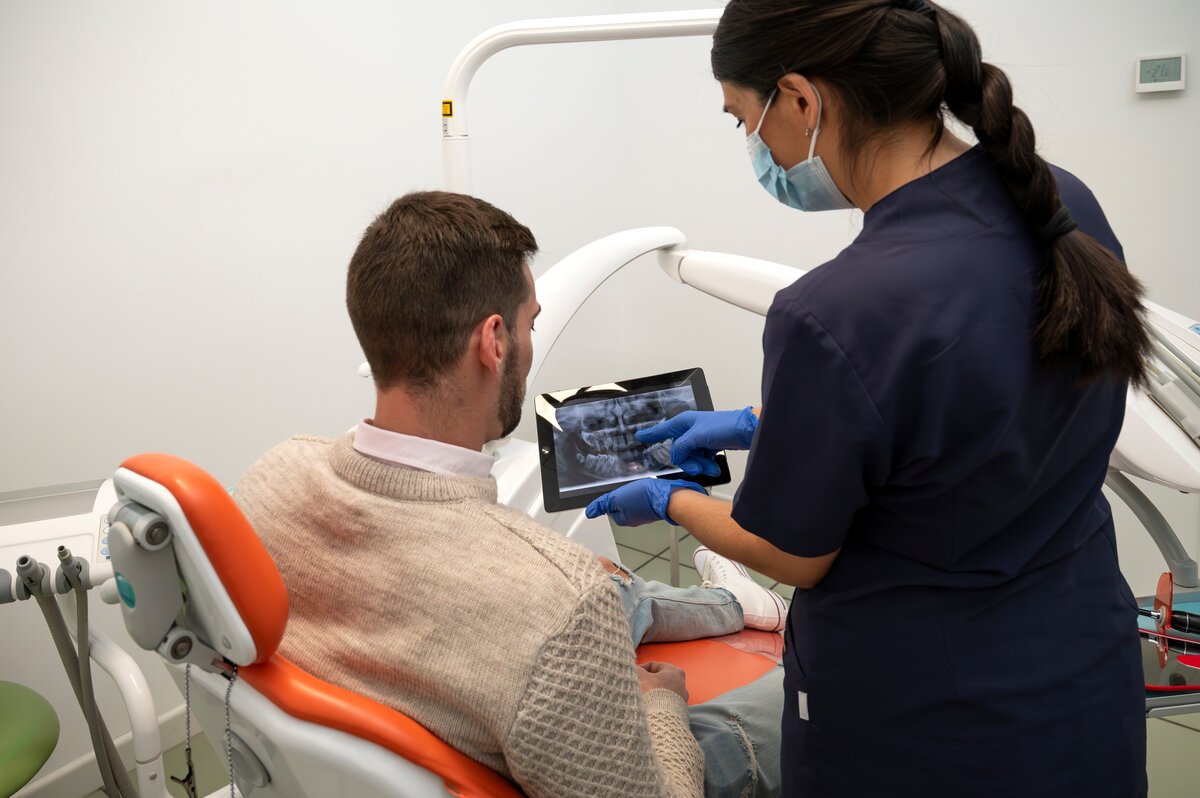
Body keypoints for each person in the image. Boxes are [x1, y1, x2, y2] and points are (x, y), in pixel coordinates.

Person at [584, 1, 1150, 796]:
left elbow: (790, 554)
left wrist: (672, 500)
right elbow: (976, 409)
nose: (754, 145)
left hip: (928, 726)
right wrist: (759, 426)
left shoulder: (836, 310)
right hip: (1080, 680)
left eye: (743, 119)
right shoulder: (1061, 203)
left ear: (802, 99)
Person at [233, 190, 786, 798]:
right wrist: (660, 707)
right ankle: (741, 616)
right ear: (494, 342)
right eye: (531, 322)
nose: (530, 340)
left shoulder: (271, 480)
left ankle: (730, 602)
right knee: (790, 700)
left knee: (610, 589)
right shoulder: (556, 601)